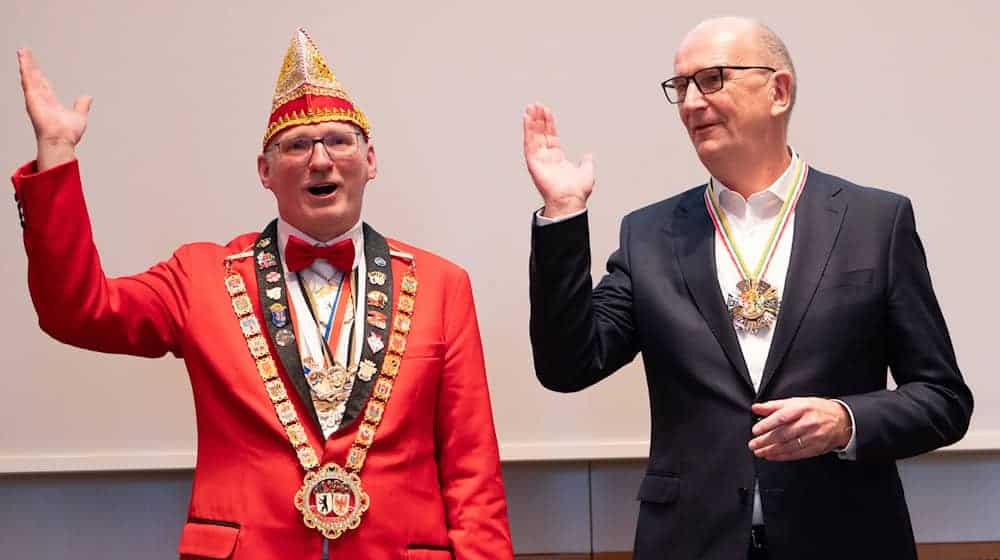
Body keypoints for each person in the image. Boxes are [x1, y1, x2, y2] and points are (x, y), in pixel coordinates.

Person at [13, 28, 513, 560]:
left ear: (370, 161)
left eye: (339, 141)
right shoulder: (200, 276)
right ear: (265, 172)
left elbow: (472, 475)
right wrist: (57, 154)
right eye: (298, 145)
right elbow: (77, 311)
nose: (320, 159)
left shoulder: (442, 285)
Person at [523, 16, 972, 560]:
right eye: (680, 86)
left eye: (711, 79)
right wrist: (564, 215)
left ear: (778, 91)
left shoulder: (875, 222)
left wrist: (845, 421)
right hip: (692, 541)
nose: (690, 102)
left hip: (843, 537)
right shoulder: (650, 235)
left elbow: (943, 399)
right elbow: (569, 366)